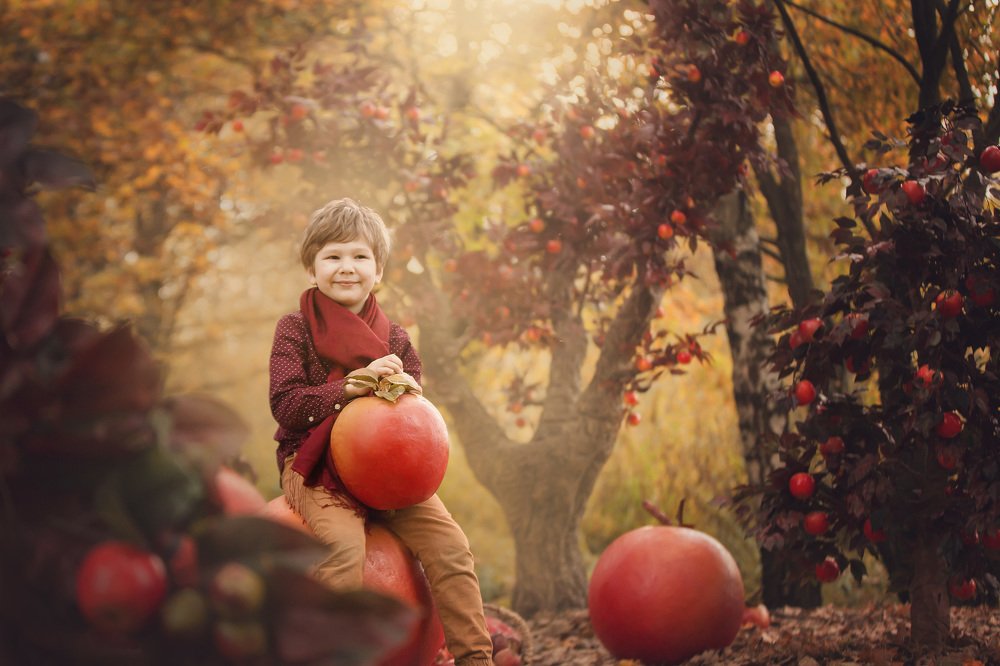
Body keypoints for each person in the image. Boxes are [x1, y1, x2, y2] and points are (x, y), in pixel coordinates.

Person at [269, 198, 493, 666]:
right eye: (332, 257)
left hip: (388, 474)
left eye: (359, 256)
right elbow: (285, 405)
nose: (345, 268)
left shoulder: (397, 339)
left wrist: (403, 388)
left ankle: (476, 659)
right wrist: (347, 389)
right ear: (312, 269)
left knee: (451, 549)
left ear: (379, 270)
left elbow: (412, 422)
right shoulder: (294, 330)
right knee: (342, 551)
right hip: (315, 467)